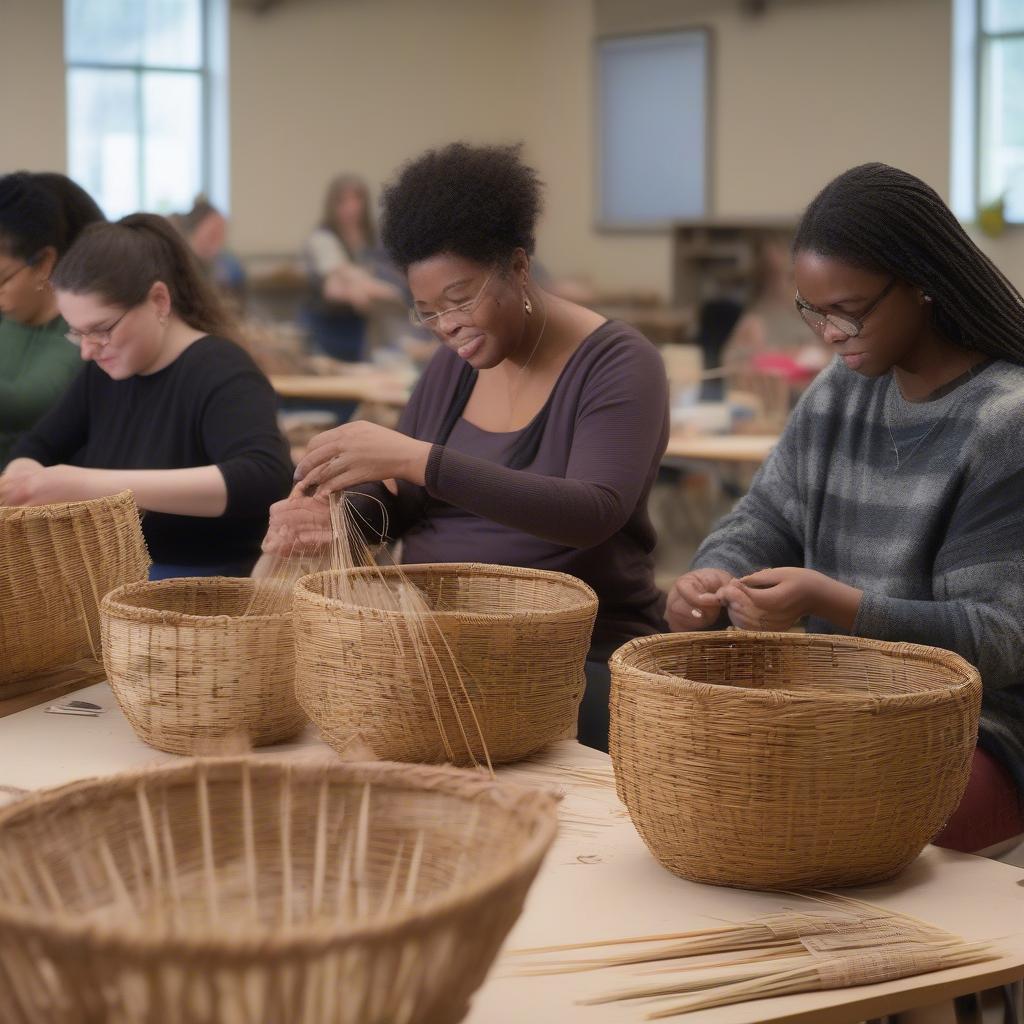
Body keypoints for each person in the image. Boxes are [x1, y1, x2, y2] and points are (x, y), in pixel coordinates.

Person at [666, 163, 1024, 854]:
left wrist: (837, 604)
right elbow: (764, 518)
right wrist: (713, 574)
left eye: (848, 309)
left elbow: (1001, 637)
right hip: (842, 709)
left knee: (784, 815)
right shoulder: (842, 391)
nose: (829, 332)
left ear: (922, 283)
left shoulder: (1004, 421)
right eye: (812, 309)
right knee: (697, 773)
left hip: (978, 732)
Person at [264, 143, 670, 751]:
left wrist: (415, 458)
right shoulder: (453, 368)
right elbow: (402, 504)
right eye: (428, 312)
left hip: (566, 658)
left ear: (518, 265)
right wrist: (336, 517)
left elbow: (592, 512)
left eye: (461, 299)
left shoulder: (617, 364)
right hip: (433, 644)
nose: (448, 325)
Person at [0, 213, 293, 579]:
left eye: (100, 330)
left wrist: (86, 484)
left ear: (158, 300)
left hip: (206, 600)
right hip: (113, 583)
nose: (87, 351)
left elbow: (262, 477)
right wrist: (23, 479)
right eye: (76, 333)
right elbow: (38, 445)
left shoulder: (221, 369)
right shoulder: (103, 372)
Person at [0, 172, 104, 466]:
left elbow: (29, 401)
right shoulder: (8, 320)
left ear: (44, 262)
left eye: (3, 279)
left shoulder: (81, 331)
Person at [301, 174, 405, 362]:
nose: (352, 207)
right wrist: (388, 292)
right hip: (326, 328)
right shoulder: (322, 238)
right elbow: (337, 283)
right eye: (343, 201)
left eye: (357, 199)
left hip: (358, 329)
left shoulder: (371, 239)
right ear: (332, 205)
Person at [174, 196, 246, 300]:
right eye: (213, 234)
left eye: (222, 234)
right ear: (194, 230)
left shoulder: (229, 266)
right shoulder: (177, 264)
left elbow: (240, 305)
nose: (219, 241)